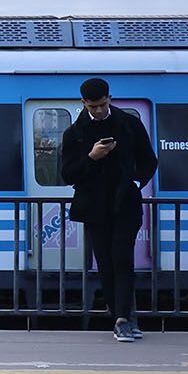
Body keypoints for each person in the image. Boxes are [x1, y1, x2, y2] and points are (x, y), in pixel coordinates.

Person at [59, 77, 157, 343]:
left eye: (102, 105)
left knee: (122, 260)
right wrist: (91, 157)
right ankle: (121, 316)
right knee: (105, 264)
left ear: (110, 99)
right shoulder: (74, 134)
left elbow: (149, 160)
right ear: (84, 104)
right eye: (93, 107)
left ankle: (123, 319)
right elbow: (67, 174)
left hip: (125, 203)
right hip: (94, 208)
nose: (99, 111)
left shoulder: (130, 124)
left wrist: (136, 182)